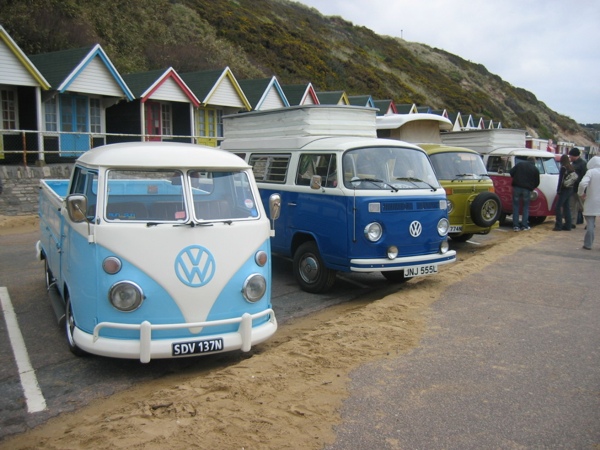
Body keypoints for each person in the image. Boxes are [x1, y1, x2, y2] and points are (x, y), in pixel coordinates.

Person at [510, 156, 540, 231]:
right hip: (527, 189)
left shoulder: (520, 164)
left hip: (517, 187)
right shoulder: (535, 169)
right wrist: (532, 187)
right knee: (525, 207)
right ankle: (524, 225)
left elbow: (511, 172)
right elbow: (537, 182)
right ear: (534, 162)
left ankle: (515, 226)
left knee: (516, 206)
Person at [578, 155, 600, 250]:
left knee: (590, 223)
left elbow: (583, 183)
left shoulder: (591, 172)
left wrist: (581, 193)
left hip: (592, 200)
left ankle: (588, 244)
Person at [554, 154, 575, 231]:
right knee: (566, 207)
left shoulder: (563, 168)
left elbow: (561, 180)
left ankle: (558, 225)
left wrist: (558, 190)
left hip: (564, 189)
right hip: (570, 189)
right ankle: (568, 225)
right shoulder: (571, 167)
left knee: (558, 207)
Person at [568, 147, 587, 227]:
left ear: (575, 156)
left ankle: (589, 223)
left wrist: (584, 190)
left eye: (571, 156)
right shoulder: (573, 164)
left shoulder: (583, 164)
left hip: (580, 189)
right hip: (573, 188)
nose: (570, 158)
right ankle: (573, 222)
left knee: (583, 207)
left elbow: (585, 177)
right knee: (572, 206)